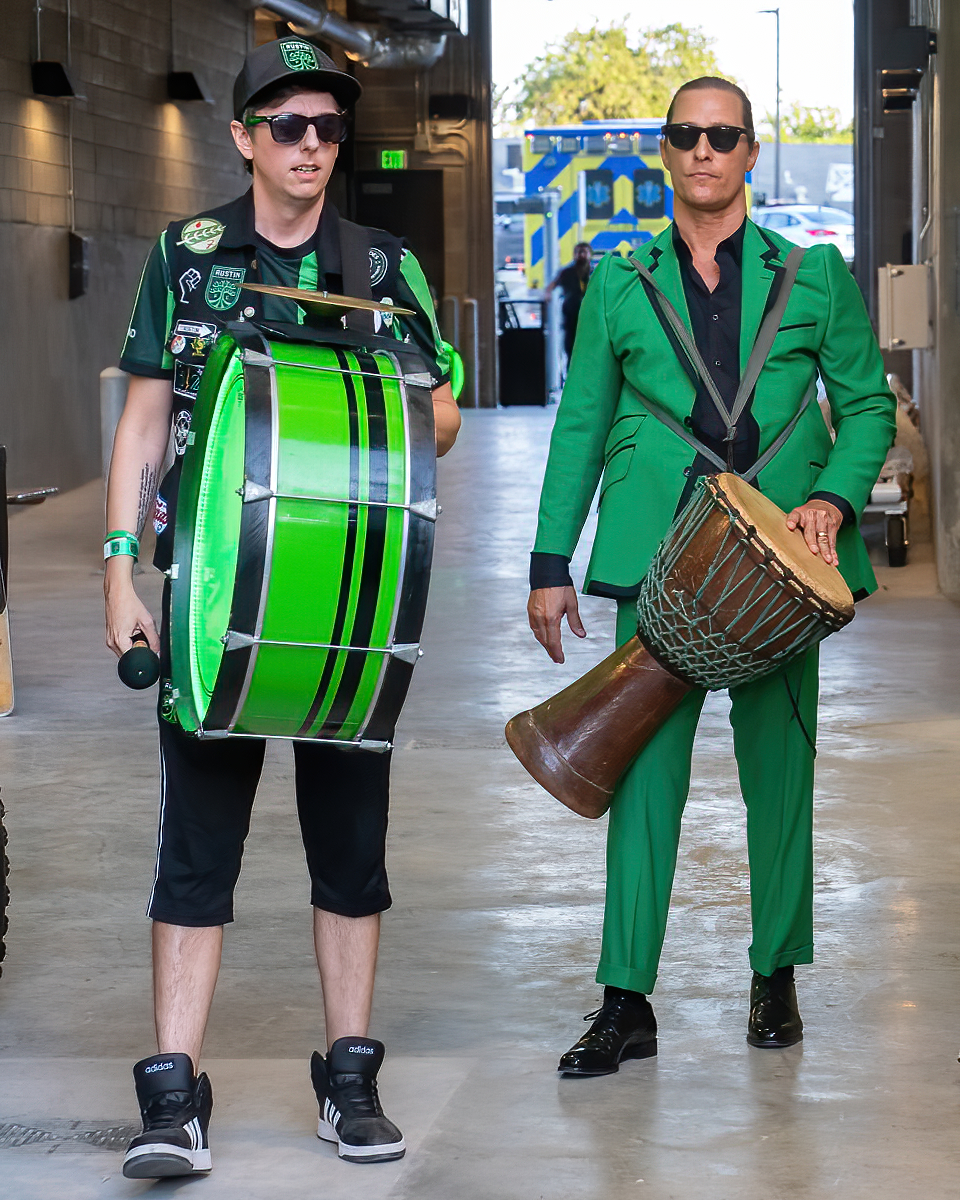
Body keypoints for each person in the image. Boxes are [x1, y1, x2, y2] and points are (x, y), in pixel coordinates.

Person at [104, 37, 460, 1177]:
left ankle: (348, 1076)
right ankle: (174, 1095)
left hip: (345, 598)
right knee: (195, 849)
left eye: (328, 128)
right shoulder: (190, 256)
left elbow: (443, 418)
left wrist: (394, 391)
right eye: (291, 125)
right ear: (245, 135)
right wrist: (121, 569)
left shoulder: (382, 263)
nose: (314, 145)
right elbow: (147, 420)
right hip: (213, 593)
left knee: (350, 853)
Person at [525, 77, 895, 1076]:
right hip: (661, 557)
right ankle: (625, 1001)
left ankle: (774, 975)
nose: (703, 151)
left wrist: (836, 498)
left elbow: (865, 406)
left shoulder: (815, 274)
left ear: (750, 150)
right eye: (685, 136)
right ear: (665, 150)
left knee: (781, 776)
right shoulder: (619, 280)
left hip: (786, 561)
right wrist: (551, 559)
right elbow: (582, 424)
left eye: (721, 136)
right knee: (641, 780)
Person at [545, 241, 594, 364]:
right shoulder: (567, 273)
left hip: (590, 318)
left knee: (589, 351)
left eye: (584, 252)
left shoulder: (594, 273)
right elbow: (552, 285)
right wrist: (547, 294)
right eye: (579, 252)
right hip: (571, 317)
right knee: (571, 350)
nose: (581, 255)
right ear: (574, 255)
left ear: (590, 255)